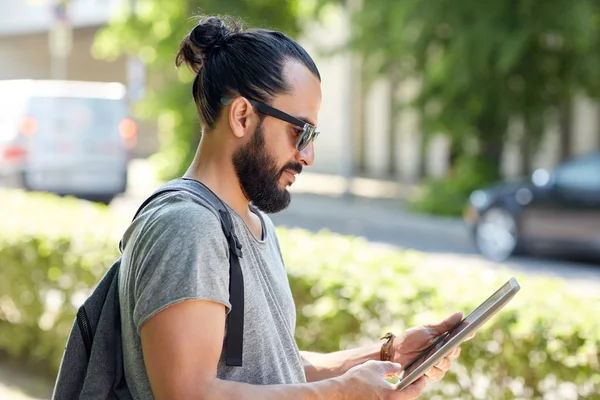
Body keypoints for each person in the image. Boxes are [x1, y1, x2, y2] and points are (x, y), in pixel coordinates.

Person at [118, 15, 465, 400]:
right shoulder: (186, 226)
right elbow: (190, 393)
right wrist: (340, 394)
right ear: (242, 116)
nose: (308, 155)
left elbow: (274, 369)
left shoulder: (251, 224)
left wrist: (387, 355)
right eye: (301, 131)